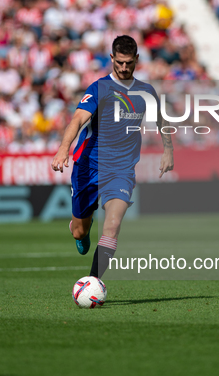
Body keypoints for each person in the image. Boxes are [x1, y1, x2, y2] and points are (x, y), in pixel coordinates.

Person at [51, 35, 174, 279]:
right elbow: (77, 119)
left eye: (129, 62)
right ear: (112, 59)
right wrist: (64, 148)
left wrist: (168, 150)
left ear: (137, 59)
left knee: (113, 225)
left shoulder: (146, 91)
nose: (124, 67)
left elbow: (162, 120)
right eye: (119, 62)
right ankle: (81, 230)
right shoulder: (99, 88)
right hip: (88, 166)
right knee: (79, 231)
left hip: (121, 171)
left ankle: (93, 280)